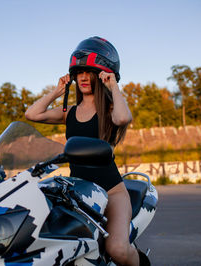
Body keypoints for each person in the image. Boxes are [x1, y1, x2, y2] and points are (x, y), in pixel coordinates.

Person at [25, 36, 147, 265]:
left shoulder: (110, 108)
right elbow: (32, 114)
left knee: (118, 249)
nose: (82, 77)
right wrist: (57, 91)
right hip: (79, 195)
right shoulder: (68, 112)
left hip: (112, 193)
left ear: (100, 76)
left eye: (89, 72)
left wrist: (113, 86)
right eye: (78, 73)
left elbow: (123, 118)